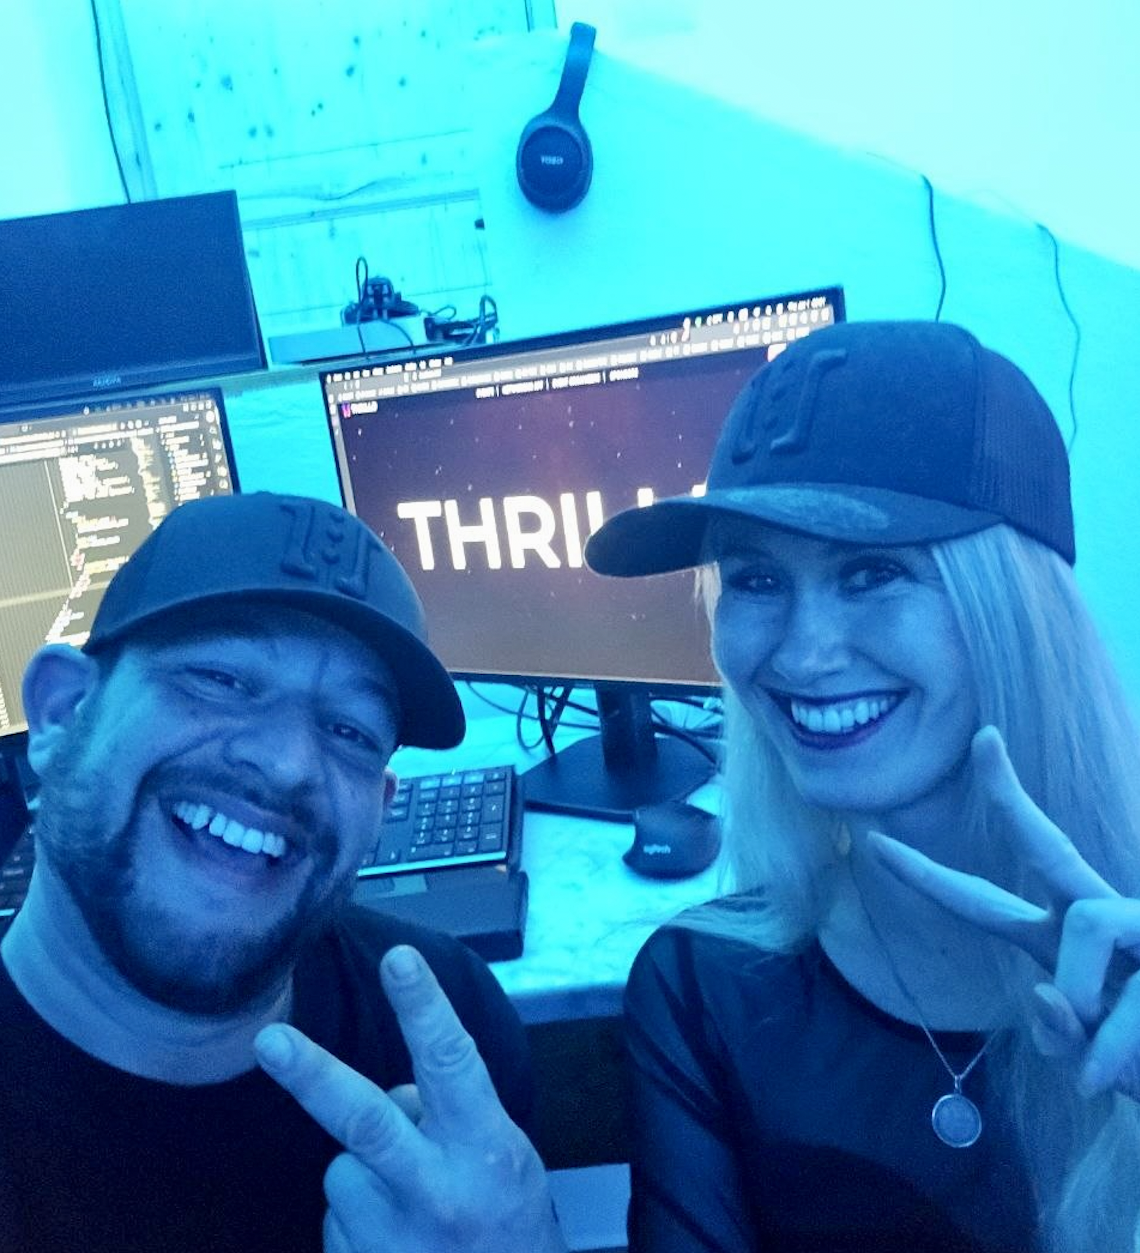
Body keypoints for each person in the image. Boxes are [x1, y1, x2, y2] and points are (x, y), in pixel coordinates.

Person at [584, 320, 1140, 1253]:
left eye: (873, 571)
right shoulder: (706, 987)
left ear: (1013, 605)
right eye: (756, 578)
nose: (803, 655)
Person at [0, 492, 566, 1253]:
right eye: (220, 679)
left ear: (380, 807)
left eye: (349, 731)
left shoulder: (447, 1042)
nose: (289, 763)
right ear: (62, 712)